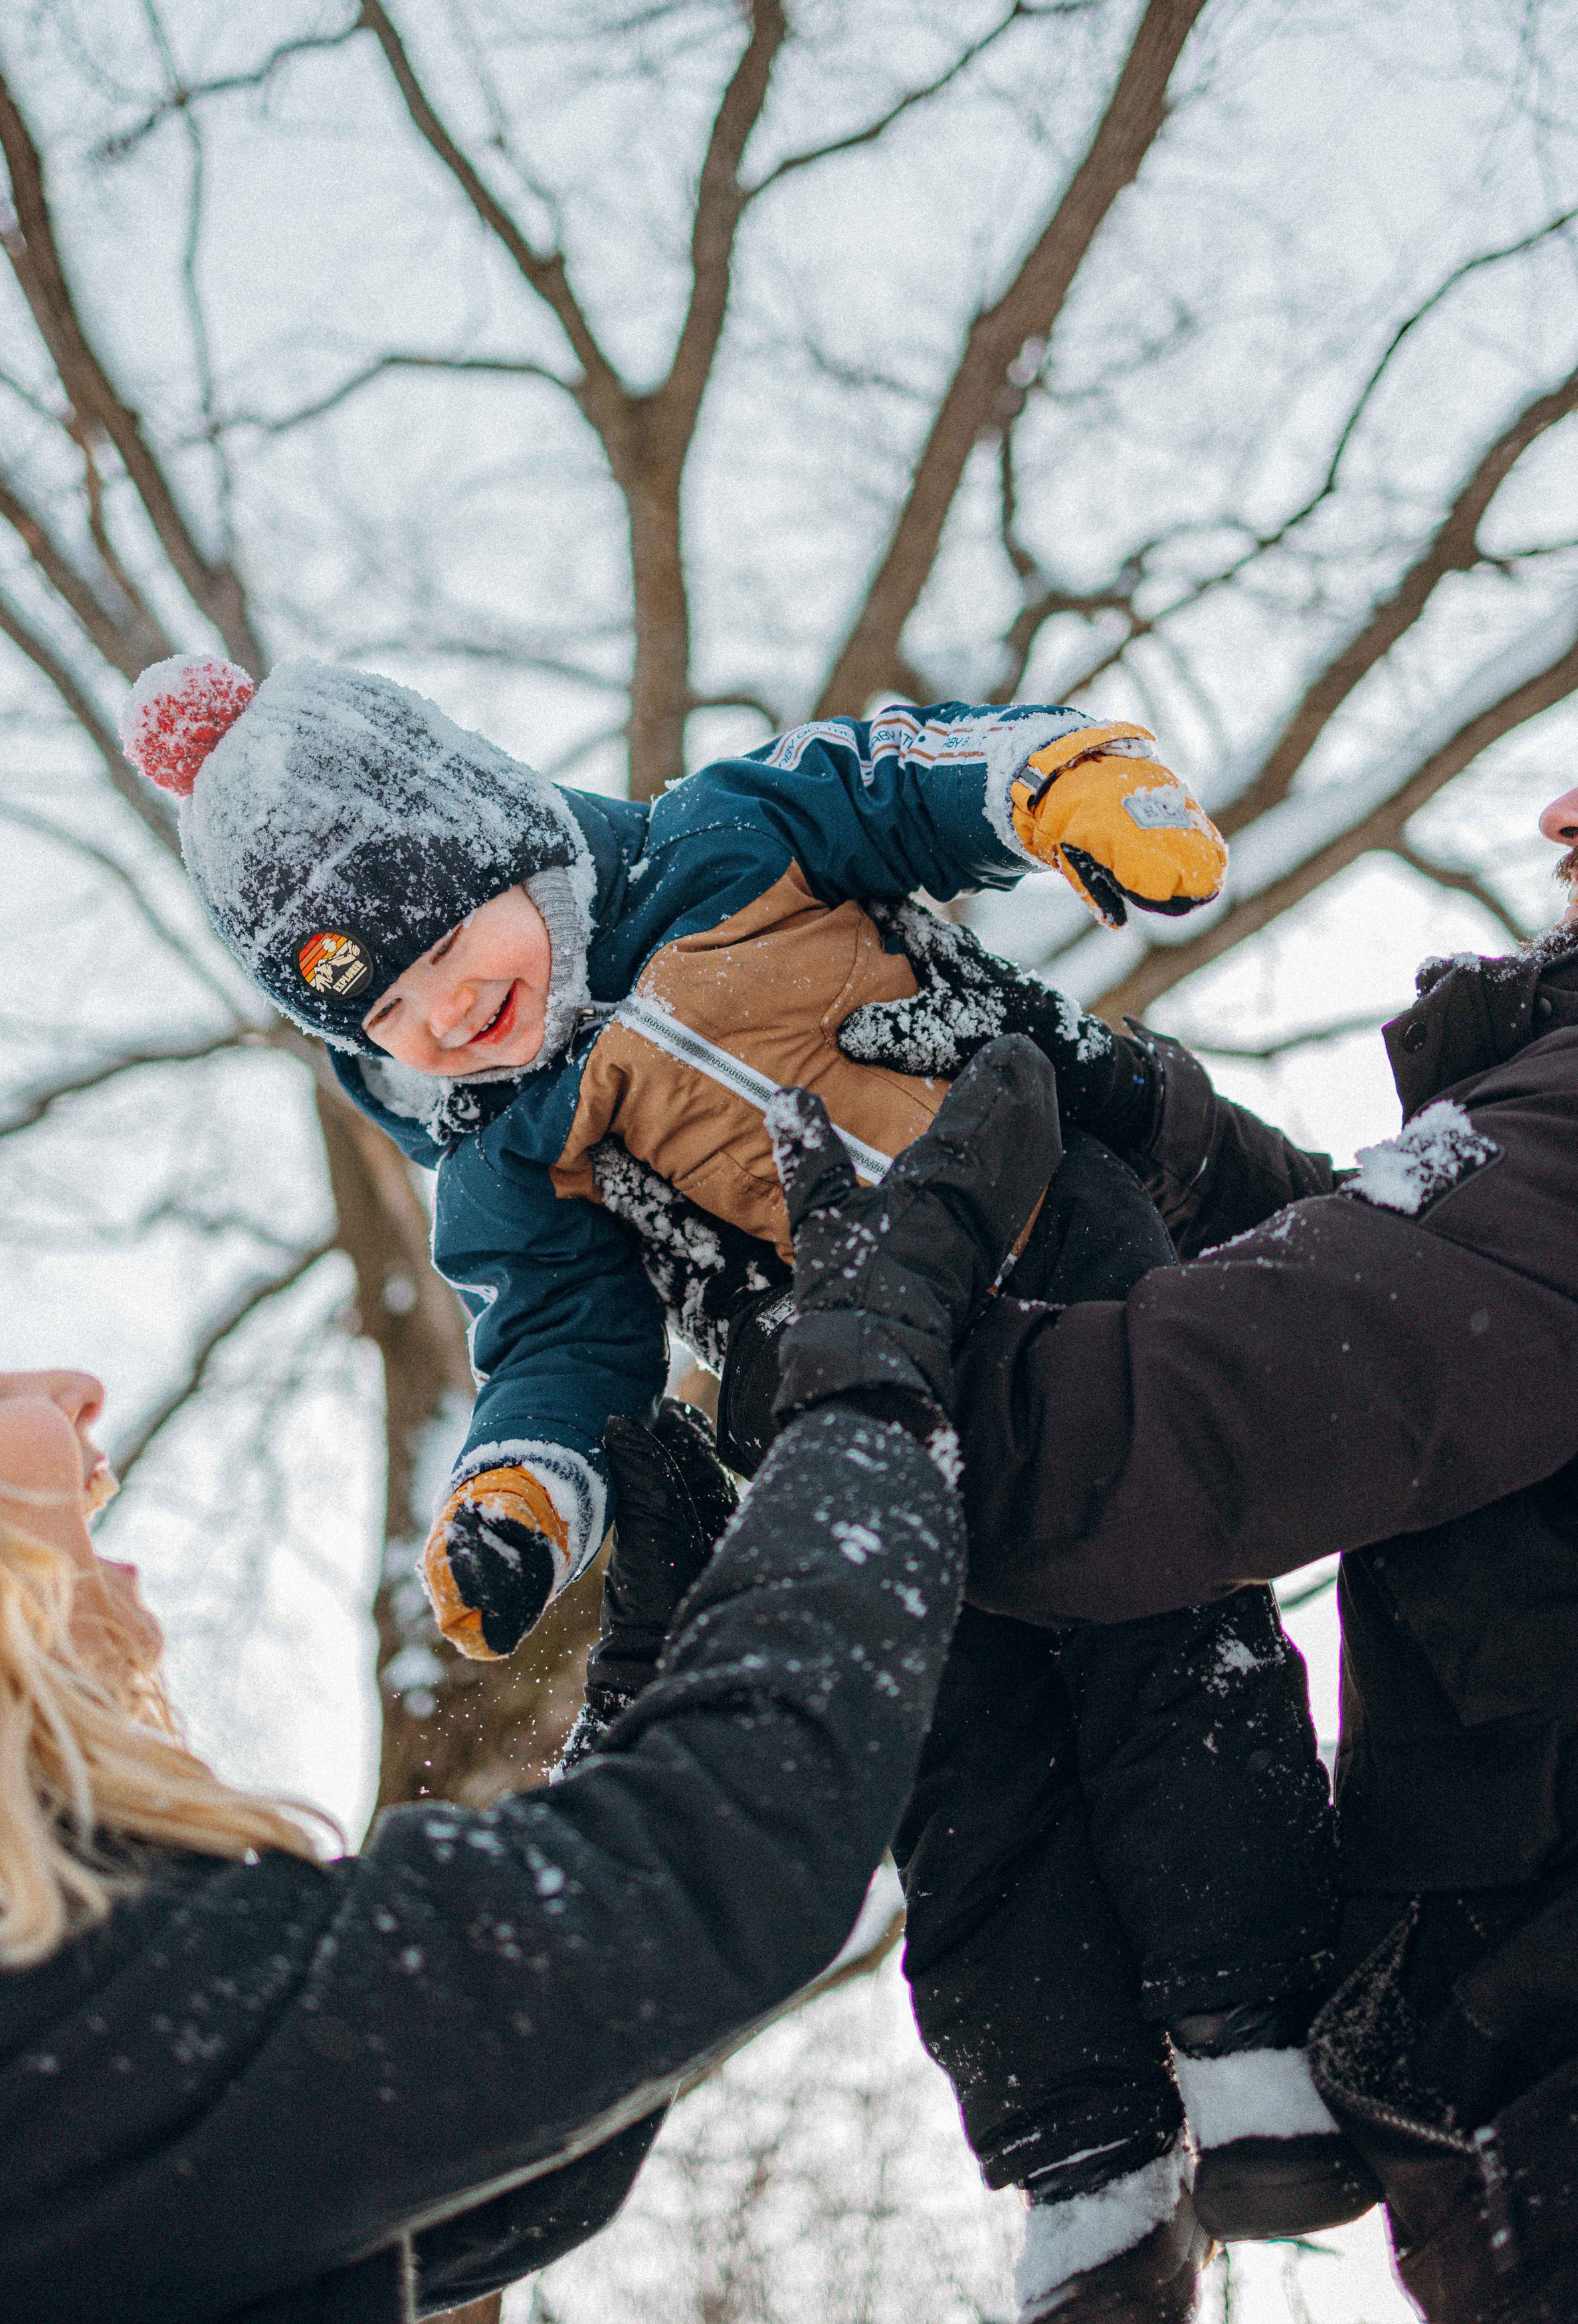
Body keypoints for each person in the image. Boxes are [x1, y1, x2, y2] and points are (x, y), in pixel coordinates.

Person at [118, 658, 1353, 2303]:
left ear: (502, 836)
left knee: (1161, 1630)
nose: (435, 1013)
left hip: (1043, 1239)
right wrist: (524, 1494)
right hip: (830, 1383)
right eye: (381, 1013)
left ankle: (1253, 2035)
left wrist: (1060, 788)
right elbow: (558, 1340)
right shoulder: (505, 1153)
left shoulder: (730, 833)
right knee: (958, 1762)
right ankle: (1082, 2161)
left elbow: (917, 775)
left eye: (441, 945)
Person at [0, 1042, 1055, 2324]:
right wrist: (870, 1381)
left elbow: (502, 2143)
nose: (79, 1389)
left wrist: (644, 1683)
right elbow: (698, 1896)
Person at [716, 777, 1578, 2321]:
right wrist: (1140, 1111)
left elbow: (1283, 1390)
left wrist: (874, 1369)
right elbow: (1437, 1304)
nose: (1558, 812)